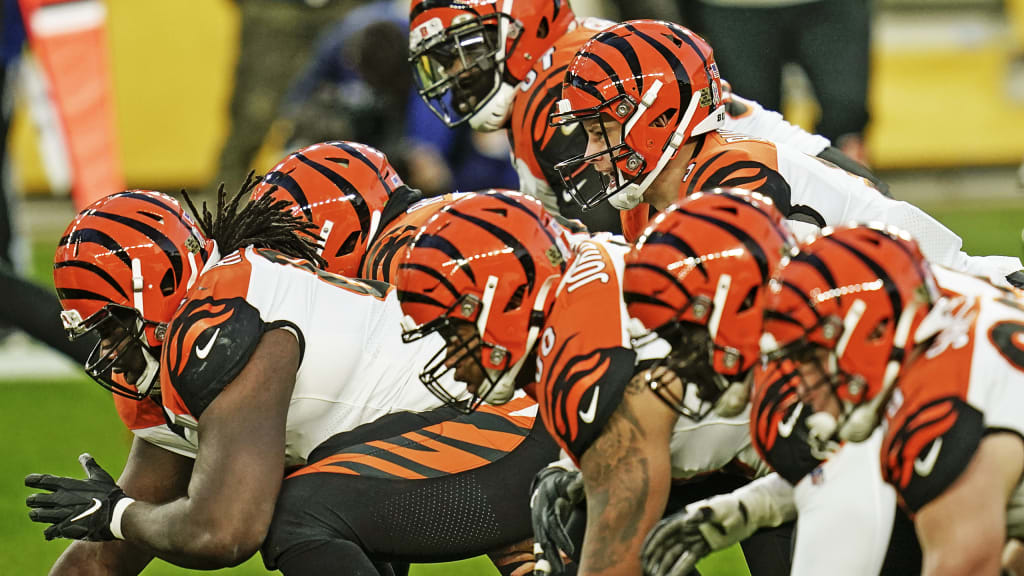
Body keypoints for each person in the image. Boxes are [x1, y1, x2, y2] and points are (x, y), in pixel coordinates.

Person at [24, 186, 558, 575]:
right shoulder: (194, 350)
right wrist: (118, 519)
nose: (110, 348)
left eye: (112, 325)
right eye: (94, 333)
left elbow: (223, 533)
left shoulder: (221, 325)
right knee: (329, 500)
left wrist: (119, 515)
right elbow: (106, 558)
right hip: (464, 440)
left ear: (155, 291)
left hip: (508, 434)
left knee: (297, 514)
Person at [396, 189, 801, 576]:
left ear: (505, 299)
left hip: (816, 449)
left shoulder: (583, 364)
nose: (451, 359)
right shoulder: (578, 283)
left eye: (455, 334)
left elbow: (615, 556)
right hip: (764, 450)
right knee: (579, 515)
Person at [642, 224, 1024, 576]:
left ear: (866, 327)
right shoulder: (935, 317)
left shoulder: (942, 409)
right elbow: (862, 455)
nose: (801, 380)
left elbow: (965, 563)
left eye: (809, 355)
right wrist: (752, 506)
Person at [550, 19, 1024, 290]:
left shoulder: (733, 177)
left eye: (601, 129)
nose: (592, 152)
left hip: (966, 298)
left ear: (655, 115)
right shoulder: (649, 200)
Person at [406, 0, 886, 237]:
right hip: (803, 191)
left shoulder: (556, 89)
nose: (453, 73)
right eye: (443, 58)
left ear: (519, 25)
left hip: (806, 208)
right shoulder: (559, 68)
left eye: (461, 51)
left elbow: (614, 243)